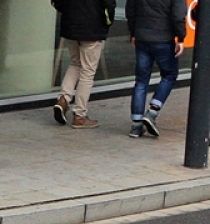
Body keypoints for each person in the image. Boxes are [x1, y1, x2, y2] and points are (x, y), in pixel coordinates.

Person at [51, 0, 117, 129]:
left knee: (75, 63)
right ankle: (79, 115)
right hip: (92, 26)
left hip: (71, 25)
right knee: (88, 71)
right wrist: (107, 22)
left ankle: (63, 99)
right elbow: (109, 4)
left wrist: (68, 12)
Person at [125, 0, 186, 138]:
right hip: (163, 39)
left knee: (141, 81)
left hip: (142, 37)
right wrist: (181, 38)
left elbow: (130, 10)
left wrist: (133, 32)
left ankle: (136, 125)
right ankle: (152, 111)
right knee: (170, 75)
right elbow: (177, 15)